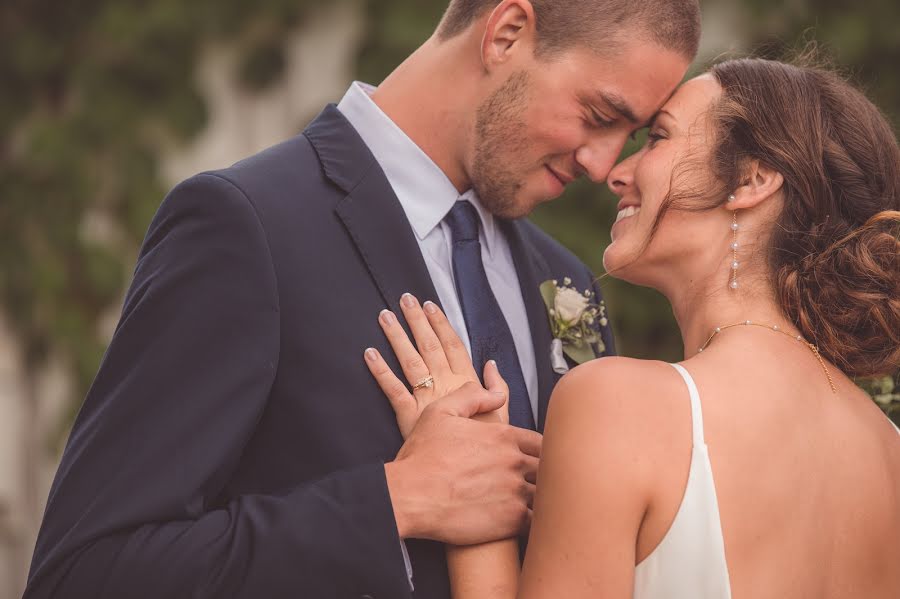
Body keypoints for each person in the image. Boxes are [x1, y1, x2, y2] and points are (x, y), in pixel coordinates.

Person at [23, 1, 701, 597]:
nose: (604, 162)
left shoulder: (569, 286)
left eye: (630, 134)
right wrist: (394, 502)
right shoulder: (247, 225)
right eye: (599, 115)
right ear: (506, 33)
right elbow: (85, 571)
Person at [365, 56, 900, 598]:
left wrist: (473, 497)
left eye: (658, 138)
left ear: (751, 179)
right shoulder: (888, 450)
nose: (616, 171)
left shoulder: (621, 405)